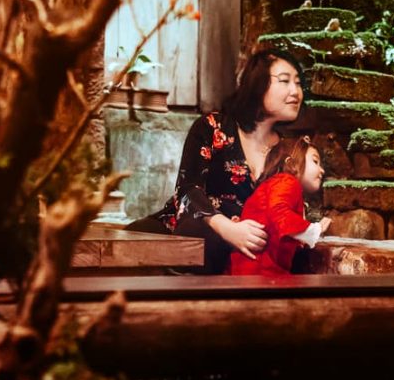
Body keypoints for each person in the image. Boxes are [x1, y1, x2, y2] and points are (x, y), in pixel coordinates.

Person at [126, 50, 305, 273]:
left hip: (250, 248)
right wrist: (226, 228)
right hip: (189, 231)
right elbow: (187, 190)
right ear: (256, 84)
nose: (295, 91)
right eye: (285, 81)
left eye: (298, 83)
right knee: (187, 237)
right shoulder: (212, 127)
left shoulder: (290, 151)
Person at [228, 136, 331, 277]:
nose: (322, 170)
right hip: (259, 273)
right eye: (315, 161)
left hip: (255, 272)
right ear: (291, 162)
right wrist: (314, 230)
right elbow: (279, 214)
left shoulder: (276, 184)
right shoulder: (286, 181)